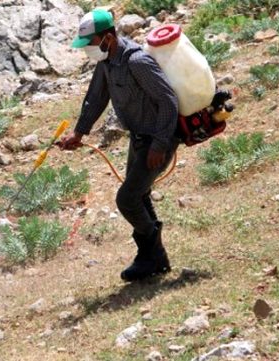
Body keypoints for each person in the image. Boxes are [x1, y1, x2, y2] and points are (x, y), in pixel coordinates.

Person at [58, 9, 180, 282]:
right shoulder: (106, 62)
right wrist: (79, 133)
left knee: (127, 199)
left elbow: (168, 101)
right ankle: (155, 259)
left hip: (158, 138)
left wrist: (160, 145)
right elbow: (95, 98)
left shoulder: (136, 61)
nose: (88, 50)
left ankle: (152, 255)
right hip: (138, 137)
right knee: (139, 194)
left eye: (91, 43)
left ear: (108, 37)